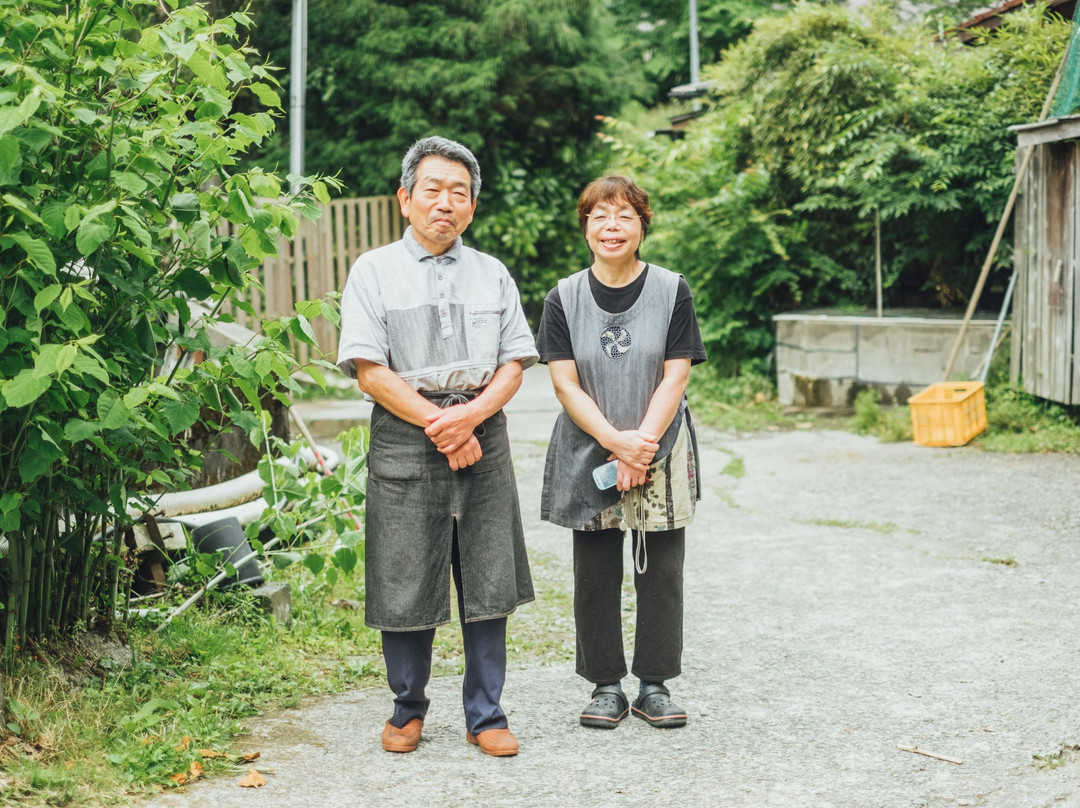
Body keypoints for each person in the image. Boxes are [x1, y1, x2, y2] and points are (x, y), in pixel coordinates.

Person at [337, 136, 538, 757]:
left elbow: (514, 361)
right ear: (406, 199)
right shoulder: (373, 270)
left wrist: (470, 418)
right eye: (433, 189)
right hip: (405, 434)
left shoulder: (493, 273)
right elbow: (369, 368)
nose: (445, 202)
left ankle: (487, 714)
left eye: (460, 192)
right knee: (403, 573)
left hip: (484, 431)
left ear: (472, 207)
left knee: (487, 572)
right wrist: (439, 425)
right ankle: (407, 708)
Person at [537, 175, 706, 730]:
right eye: (600, 216)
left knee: (662, 571)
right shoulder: (562, 297)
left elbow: (675, 373)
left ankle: (654, 684)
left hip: (661, 444)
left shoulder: (671, 289)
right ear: (585, 225)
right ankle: (605, 685)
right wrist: (615, 443)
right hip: (591, 450)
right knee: (596, 572)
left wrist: (641, 448)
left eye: (625, 216)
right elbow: (564, 384)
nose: (612, 227)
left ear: (642, 226)